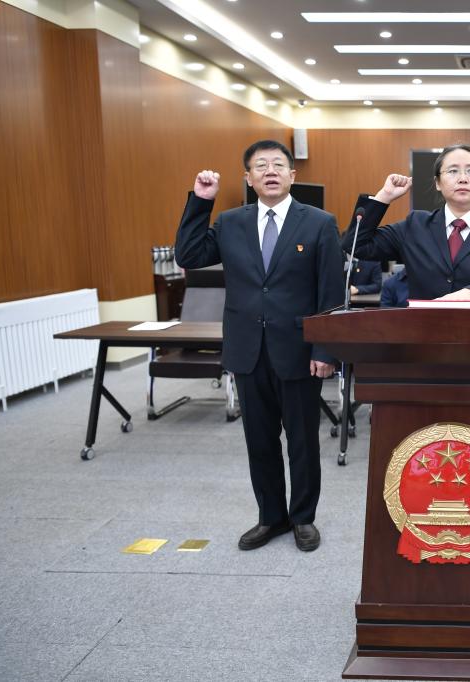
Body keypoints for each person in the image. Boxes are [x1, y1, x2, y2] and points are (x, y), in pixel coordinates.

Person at [174, 139, 344, 552]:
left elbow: (331, 292)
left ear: (292, 175)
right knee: (260, 441)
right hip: (247, 350)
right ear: (248, 178)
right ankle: (271, 517)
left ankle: (303, 518)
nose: (270, 171)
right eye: (261, 165)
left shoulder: (319, 222)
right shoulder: (230, 222)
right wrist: (201, 201)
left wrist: (325, 350)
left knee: (302, 442)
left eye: (278, 164)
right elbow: (189, 254)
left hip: (299, 352)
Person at [342, 143, 470, 307]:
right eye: (453, 171)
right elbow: (357, 245)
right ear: (437, 183)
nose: (463, 178)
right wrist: (384, 197)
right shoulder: (415, 226)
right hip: (425, 329)